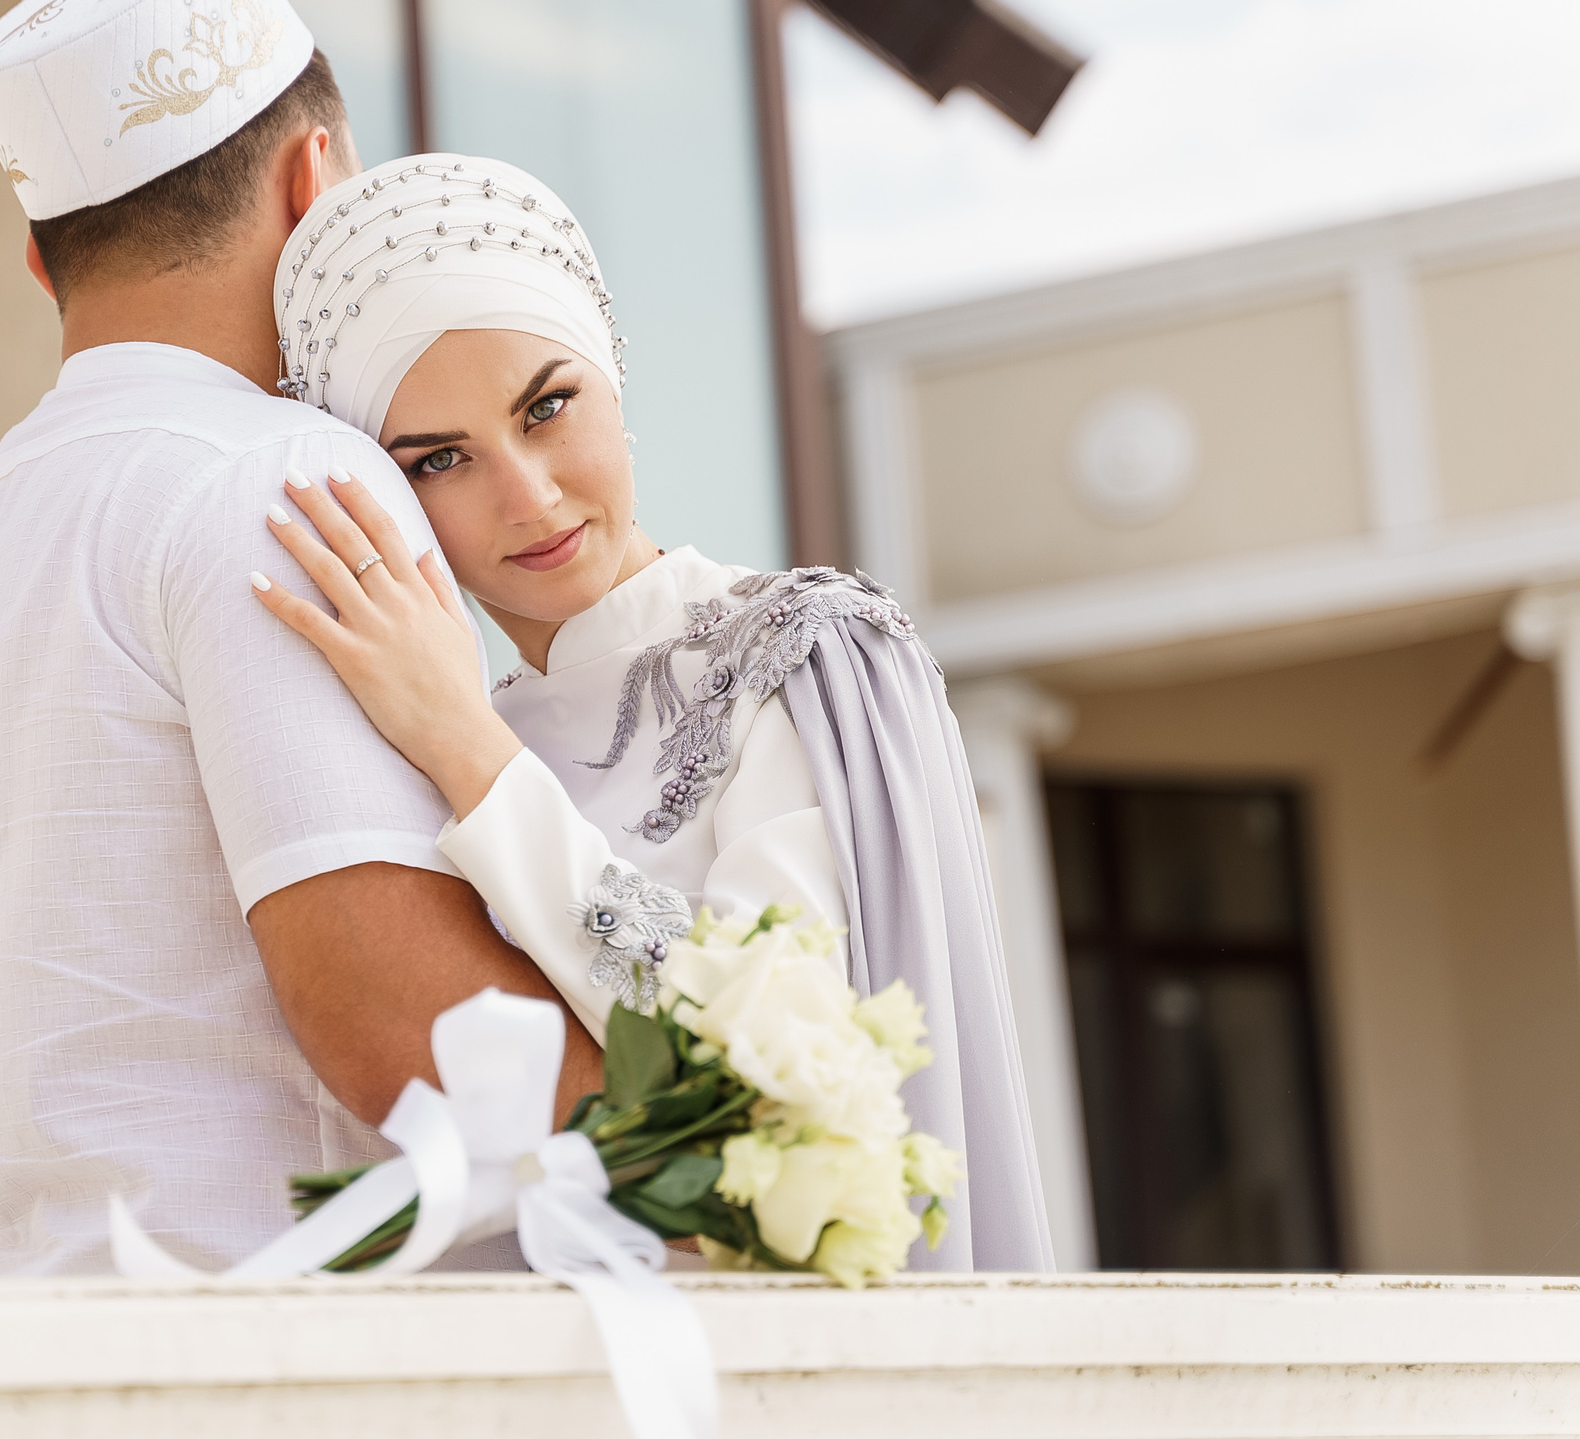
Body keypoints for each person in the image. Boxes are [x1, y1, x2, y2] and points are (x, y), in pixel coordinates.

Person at [0, 0, 597, 1279]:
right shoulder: (283, 476)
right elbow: (396, 1024)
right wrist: (728, 1118)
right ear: (314, 177)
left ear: (43, 263)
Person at [249, 153, 1055, 1272]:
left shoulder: (807, 656)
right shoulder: (425, 742)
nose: (526, 496)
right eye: (439, 460)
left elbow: (763, 1089)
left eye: (546, 405)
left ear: (611, 372)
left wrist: (468, 751)